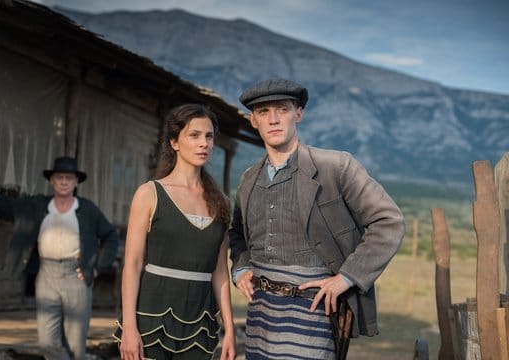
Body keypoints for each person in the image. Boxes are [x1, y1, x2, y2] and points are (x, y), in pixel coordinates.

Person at [229, 79, 405, 359]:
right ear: (253, 120)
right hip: (260, 317)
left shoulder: (336, 166)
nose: (273, 119)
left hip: (314, 316)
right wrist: (240, 270)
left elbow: (389, 221)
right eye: (263, 112)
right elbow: (236, 233)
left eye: (283, 109)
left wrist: (347, 277)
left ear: (299, 114)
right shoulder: (248, 178)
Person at [0, 156, 119, 360]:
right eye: (60, 177)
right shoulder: (37, 206)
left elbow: (111, 236)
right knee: (47, 341)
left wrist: (98, 267)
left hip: (77, 276)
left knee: (75, 345)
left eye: (69, 178)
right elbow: (7, 205)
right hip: (46, 275)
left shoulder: (88, 210)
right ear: (52, 181)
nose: (64, 181)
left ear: (76, 182)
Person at [114, 104, 236, 360]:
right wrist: (129, 328)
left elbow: (220, 271)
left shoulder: (221, 202)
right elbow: (133, 265)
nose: (204, 143)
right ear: (174, 142)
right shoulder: (149, 194)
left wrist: (230, 330)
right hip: (150, 318)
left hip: (200, 323)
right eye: (194, 135)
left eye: (209, 136)